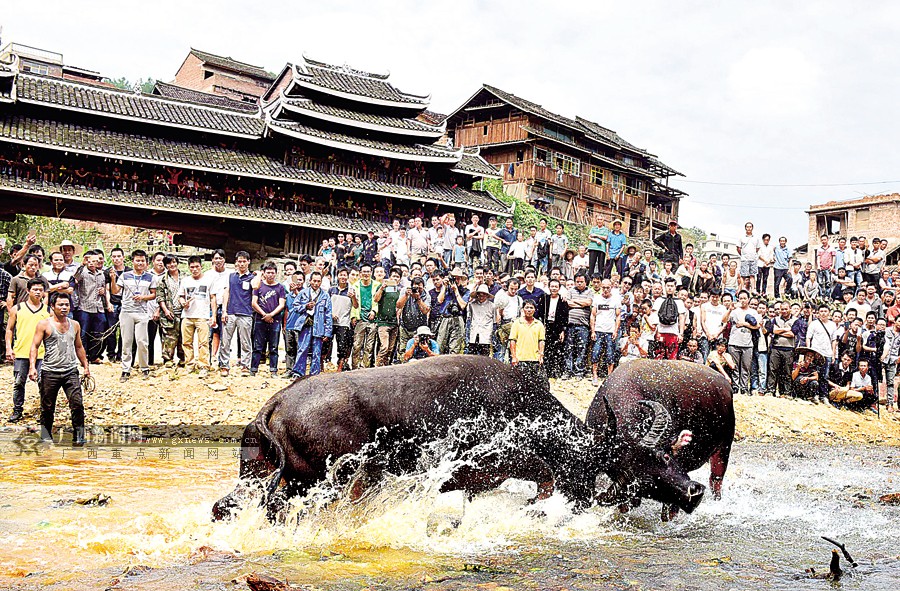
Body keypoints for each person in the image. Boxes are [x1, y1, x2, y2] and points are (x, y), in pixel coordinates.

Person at [29, 292, 89, 445]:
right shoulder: (44, 325)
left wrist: (86, 367)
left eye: (66, 305)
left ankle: (79, 437)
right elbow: (34, 346)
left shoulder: (75, 324)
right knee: (47, 407)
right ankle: (45, 436)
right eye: (60, 305)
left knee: (77, 404)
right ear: (52, 306)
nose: (64, 308)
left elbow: (79, 346)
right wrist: (32, 367)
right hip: (50, 372)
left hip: (71, 371)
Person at [110, 250, 157, 382]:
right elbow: (115, 291)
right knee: (126, 342)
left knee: (142, 341)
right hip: (127, 312)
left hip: (142, 312)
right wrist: (113, 279)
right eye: (137, 260)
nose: (140, 263)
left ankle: (144, 367)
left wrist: (143, 297)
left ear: (146, 262)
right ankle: (126, 369)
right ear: (132, 261)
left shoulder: (150, 277)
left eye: (142, 261)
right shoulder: (125, 276)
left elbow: (153, 294)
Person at [5, 279, 49, 422]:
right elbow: (9, 329)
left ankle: (45, 412)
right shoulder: (17, 308)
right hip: (21, 351)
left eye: (40, 290)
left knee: (44, 383)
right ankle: (17, 410)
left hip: (42, 353)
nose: (38, 292)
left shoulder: (48, 310)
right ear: (28, 291)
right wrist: (8, 348)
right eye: (35, 289)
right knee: (19, 382)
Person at [177, 256, 216, 378]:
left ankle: (204, 366)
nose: (194, 269)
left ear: (201, 267)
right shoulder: (185, 281)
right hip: (187, 315)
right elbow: (181, 296)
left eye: (197, 267)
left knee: (203, 342)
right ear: (189, 268)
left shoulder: (208, 280)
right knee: (186, 342)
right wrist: (183, 303)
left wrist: (213, 315)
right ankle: (189, 364)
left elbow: (213, 298)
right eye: (192, 267)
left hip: (202, 316)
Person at [218, 251, 255, 376]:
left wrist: (258, 274)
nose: (242, 264)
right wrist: (224, 310)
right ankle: (224, 365)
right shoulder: (231, 276)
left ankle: (245, 366)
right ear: (236, 262)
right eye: (239, 261)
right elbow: (226, 293)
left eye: (244, 261)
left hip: (246, 313)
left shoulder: (252, 278)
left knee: (245, 342)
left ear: (248, 262)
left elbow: (256, 288)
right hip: (230, 312)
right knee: (225, 341)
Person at [292, 271, 333, 377]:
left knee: (317, 351)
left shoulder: (325, 296)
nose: (316, 283)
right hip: (305, 325)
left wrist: (327, 332)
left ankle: (314, 374)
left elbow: (328, 314)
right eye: (314, 281)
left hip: (319, 326)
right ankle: (298, 372)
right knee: (302, 349)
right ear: (310, 281)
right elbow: (295, 306)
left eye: (318, 281)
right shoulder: (303, 293)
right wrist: (305, 306)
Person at [251, 263, 286, 377]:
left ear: (276, 273)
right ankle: (254, 369)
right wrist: (264, 315)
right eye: (268, 272)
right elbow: (254, 303)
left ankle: (273, 370)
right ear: (264, 273)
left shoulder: (280, 287)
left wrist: (271, 315)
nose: (270, 275)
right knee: (257, 346)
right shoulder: (259, 286)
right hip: (260, 318)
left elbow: (282, 304)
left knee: (274, 347)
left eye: (272, 272)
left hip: (275, 320)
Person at [723, 290, 760, 395]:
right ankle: (735, 387)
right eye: (741, 298)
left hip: (747, 344)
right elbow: (724, 320)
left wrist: (744, 324)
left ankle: (744, 388)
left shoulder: (753, 312)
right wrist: (729, 310)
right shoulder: (734, 311)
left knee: (745, 367)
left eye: (745, 298)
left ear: (748, 299)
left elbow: (757, 326)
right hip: (734, 342)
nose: (743, 300)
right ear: (738, 299)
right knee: (734, 367)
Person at [590, 279, 621, 386]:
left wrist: (615, 331)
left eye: (608, 287)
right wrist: (593, 330)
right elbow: (593, 315)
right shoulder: (597, 298)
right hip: (598, 330)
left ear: (611, 287)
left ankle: (609, 377)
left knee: (610, 354)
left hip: (610, 331)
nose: (606, 290)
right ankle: (594, 375)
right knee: (596, 353)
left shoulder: (616, 299)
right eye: (604, 287)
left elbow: (618, 316)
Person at [155, 255, 184, 367]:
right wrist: (165, 310)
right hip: (169, 312)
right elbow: (160, 297)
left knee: (183, 337)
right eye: (169, 263)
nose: (172, 265)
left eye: (174, 262)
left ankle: (183, 359)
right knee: (169, 337)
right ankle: (168, 359)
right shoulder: (162, 280)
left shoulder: (185, 278)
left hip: (184, 312)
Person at [103, 247, 130, 363]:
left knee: (125, 330)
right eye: (114, 256)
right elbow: (107, 289)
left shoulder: (129, 271)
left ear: (123, 257)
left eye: (119, 256)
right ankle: (111, 354)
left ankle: (121, 354)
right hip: (113, 302)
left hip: (126, 303)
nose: (116, 259)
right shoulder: (108, 272)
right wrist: (108, 303)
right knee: (111, 330)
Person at [564, 273, 592, 380]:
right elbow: (568, 303)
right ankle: (568, 371)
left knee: (581, 349)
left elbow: (588, 303)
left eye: (581, 282)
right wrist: (581, 304)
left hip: (583, 325)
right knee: (569, 348)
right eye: (577, 282)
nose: (579, 283)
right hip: (570, 325)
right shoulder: (571, 291)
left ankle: (579, 371)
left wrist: (574, 301)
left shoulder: (589, 291)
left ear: (586, 282)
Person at [538, 278, 568, 377]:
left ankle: (556, 371)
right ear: (549, 287)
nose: (554, 288)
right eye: (552, 286)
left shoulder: (562, 300)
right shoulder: (544, 298)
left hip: (557, 327)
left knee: (557, 349)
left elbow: (565, 317)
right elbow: (540, 312)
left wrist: (563, 330)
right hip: (546, 326)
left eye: (556, 286)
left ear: (559, 288)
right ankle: (546, 371)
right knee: (546, 348)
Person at [509, 299, 545, 381]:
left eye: (531, 308)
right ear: (523, 309)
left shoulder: (539, 324)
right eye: (527, 307)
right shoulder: (517, 323)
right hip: (520, 359)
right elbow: (512, 341)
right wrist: (514, 357)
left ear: (535, 310)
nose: (529, 310)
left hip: (534, 359)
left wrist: (541, 356)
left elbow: (541, 341)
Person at [352, 263, 379, 369]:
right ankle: (355, 368)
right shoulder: (355, 285)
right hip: (360, 319)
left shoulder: (377, 285)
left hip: (372, 319)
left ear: (371, 273)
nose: (366, 274)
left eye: (368, 271)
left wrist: (374, 311)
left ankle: (365, 368)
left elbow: (378, 301)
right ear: (360, 273)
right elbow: (353, 303)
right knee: (357, 345)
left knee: (369, 347)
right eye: (364, 271)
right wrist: (353, 316)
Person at [436, 268, 469, 354]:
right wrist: (444, 287)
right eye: (454, 278)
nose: (456, 280)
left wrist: (456, 291)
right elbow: (439, 300)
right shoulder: (446, 289)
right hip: (445, 318)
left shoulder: (465, 291)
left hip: (457, 318)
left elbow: (463, 305)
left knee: (455, 349)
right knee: (440, 346)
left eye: (458, 278)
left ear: (461, 279)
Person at [373, 267, 402, 366]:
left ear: (400, 279)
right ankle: (377, 366)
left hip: (394, 322)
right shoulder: (382, 287)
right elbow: (376, 299)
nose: (395, 278)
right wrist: (382, 288)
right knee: (384, 347)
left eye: (397, 277)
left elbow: (400, 305)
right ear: (389, 277)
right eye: (393, 276)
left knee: (390, 349)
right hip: (383, 322)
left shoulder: (399, 290)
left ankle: (386, 367)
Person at [653, 277, 686, 360]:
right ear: (665, 287)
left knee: (672, 358)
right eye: (668, 286)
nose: (670, 288)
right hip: (661, 332)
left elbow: (681, 318)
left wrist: (681, 334)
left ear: (675, 287)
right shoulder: (659, 300)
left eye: (672, 286)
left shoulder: (679, 301)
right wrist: (656, 332)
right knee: (658, 357)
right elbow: (654, 317)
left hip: (673, 333)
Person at [328, 268, 354, 371]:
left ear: (347, 277)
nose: (343, 277)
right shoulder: (332, 290)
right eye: (341, 275)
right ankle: (323, 365)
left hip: (344, 322)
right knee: (326, 344)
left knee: (342, 345)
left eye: (345, 275)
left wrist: (353, 297)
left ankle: (340, 366)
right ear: (337, 276)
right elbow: (326, 304)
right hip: (330, 321)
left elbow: (356, 306)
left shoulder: (351, 290)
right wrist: (331, 314)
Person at [466, 284, 495, 356]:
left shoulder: (492, 306)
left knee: (484, 357)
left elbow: (494, 321)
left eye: (484, 295)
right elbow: (470, 318)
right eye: (480, 295)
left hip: (486, 334)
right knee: (472, 356)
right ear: (477, 295)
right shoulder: (472, 305)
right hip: (474, 333)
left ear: (487, 296)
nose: (481, 297)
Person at [587, 214, 608, 278]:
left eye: (601, 219)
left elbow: (605, 238)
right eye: (598, 219)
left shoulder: (605, 229)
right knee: (591, 265)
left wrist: (596, 235)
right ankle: (590, 279)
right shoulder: (593, 228)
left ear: (603, 221)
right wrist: (596, 240)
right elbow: (589, 237)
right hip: (592, 247)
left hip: (601, 248)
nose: (599, 221)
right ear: (596, 220)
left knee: (601, 265)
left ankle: (600, 278)